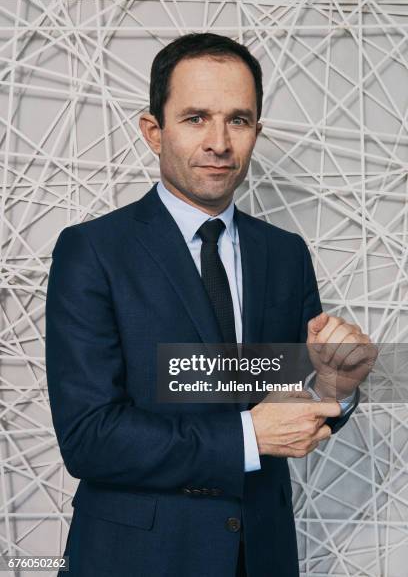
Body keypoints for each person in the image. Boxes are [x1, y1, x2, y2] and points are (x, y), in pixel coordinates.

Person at [46, 33, 375, 577]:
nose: (219, 142)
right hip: (136, 559)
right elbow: (89, 437)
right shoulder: (93, 251)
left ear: (256, 132)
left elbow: (290, 394)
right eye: (196, 118)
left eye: (238, 120)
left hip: (263, 556)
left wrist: (335, 386)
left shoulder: (285, 254)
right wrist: (248, 437)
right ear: (154, 131)